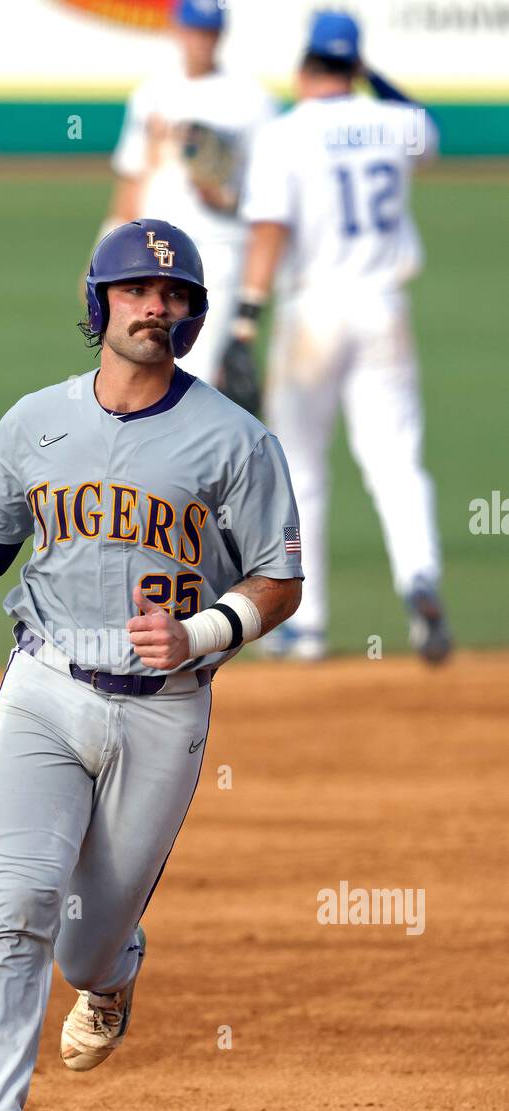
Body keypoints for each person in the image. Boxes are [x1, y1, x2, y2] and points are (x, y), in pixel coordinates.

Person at [0, 219, 303, 1111]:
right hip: (44, 690)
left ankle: (114, 971)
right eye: (135, 292)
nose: (155, 309)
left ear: (191, 314)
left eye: (173, 296)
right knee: (16, 905)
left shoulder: (235, 440)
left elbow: (277, 581)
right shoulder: (33, 423)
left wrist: (201, 631)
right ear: (98, 301)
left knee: (81, 947)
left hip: (163, 714)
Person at [228, 9, 451, 661]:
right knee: (396, 462)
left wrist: (245, 318)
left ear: (303, 67)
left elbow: (269, 229)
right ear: (355, 67)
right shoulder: (397, 123)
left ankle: (308, 622)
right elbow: (424, 126)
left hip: (313, 314)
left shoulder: (284, 133)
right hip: (385, 309)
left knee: (301, 469)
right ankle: (420, 578)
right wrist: (370, 76)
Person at [101, 0, 276, 393]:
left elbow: (267, 195)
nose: (202, 41)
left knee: (193, 367)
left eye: (210, 32)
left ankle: (199, 450)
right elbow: (134, 174)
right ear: (178, 29)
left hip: (217, 251)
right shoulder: (153, 92)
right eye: (196, 30)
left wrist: (224, 196)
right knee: (140, 360)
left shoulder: (252, 101)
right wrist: (106, 242)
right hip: (150, 249)